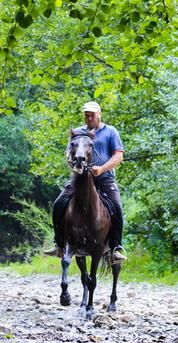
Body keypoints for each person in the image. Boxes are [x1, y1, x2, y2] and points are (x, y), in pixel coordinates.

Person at [44, 101, 127, 263]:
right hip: (80, 181)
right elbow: (69, 154)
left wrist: (102, 169)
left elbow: (119, 156)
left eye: (92, 114)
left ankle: (116, 248)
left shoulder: (110, 131)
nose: (89, 117)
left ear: (99, 114)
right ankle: (59, 244)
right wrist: (75, 166)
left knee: (117, 209)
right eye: (86, 114)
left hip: (104, 179)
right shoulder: (77, 132)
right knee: (58, 204)